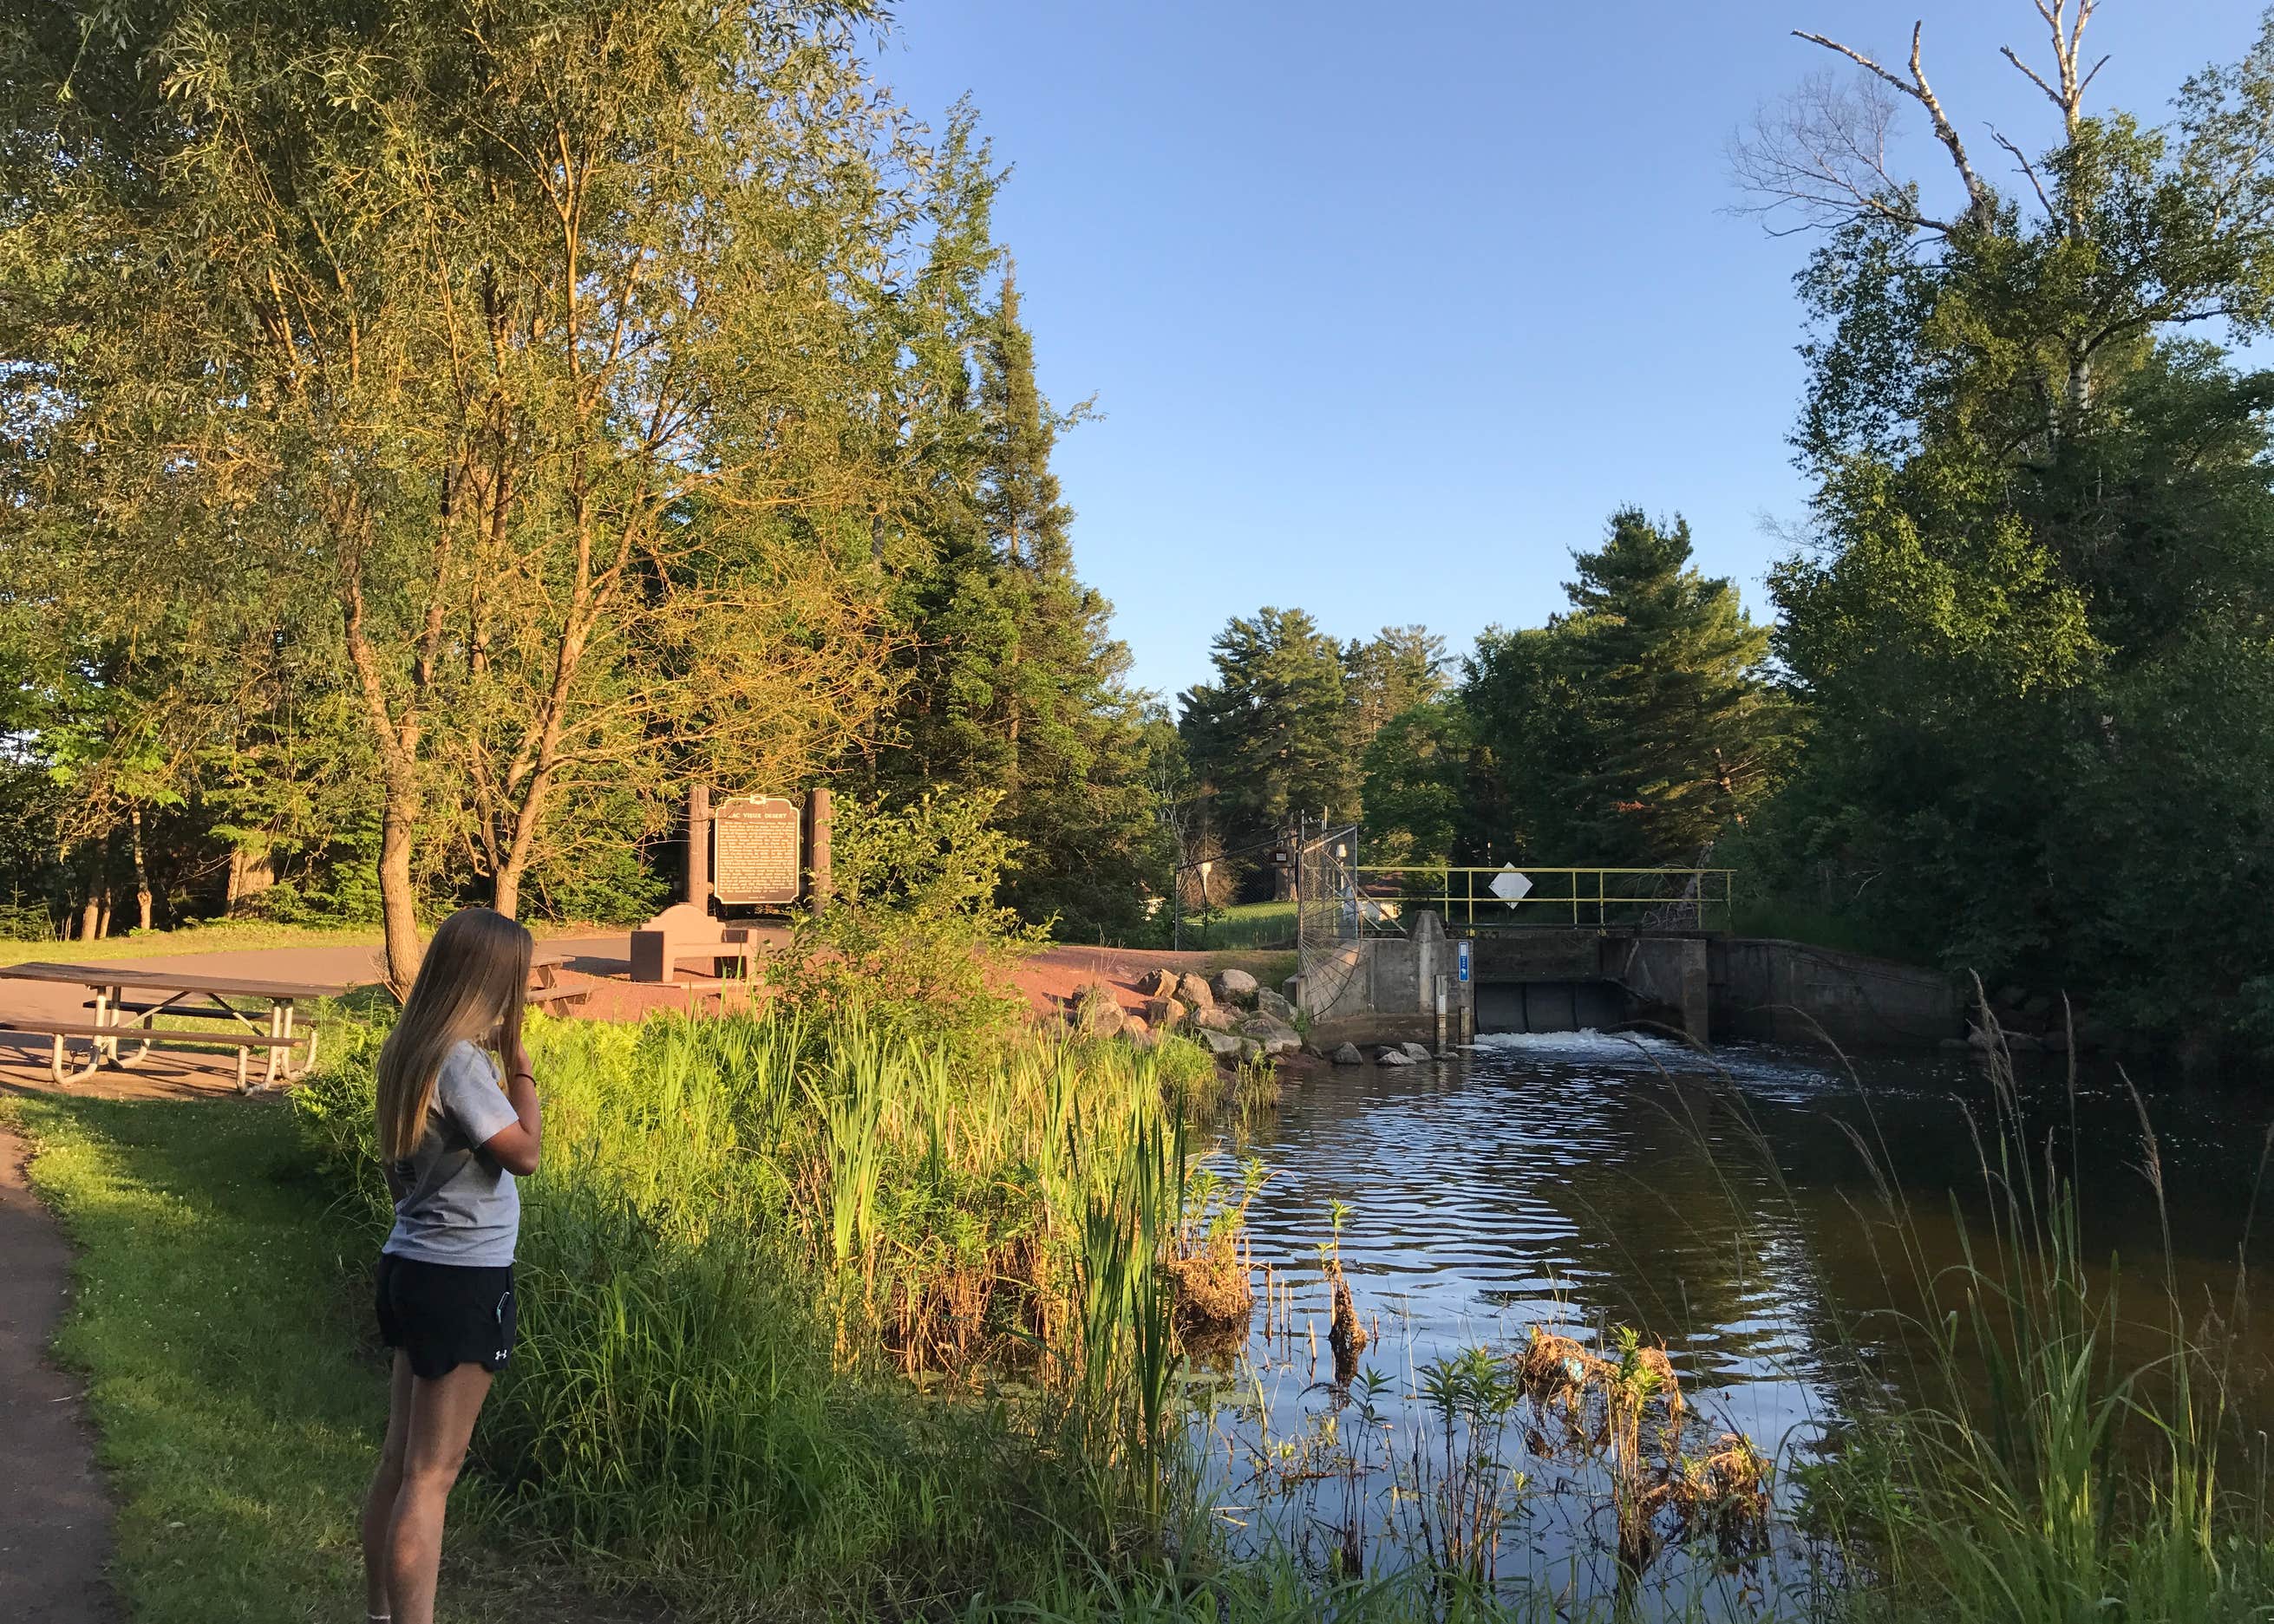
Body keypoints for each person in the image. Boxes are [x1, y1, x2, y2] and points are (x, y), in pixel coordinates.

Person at [359, 907, 540, 1624]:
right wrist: (522, 1070)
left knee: (400, 1463)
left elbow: (400, 1171)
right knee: (433, 1475)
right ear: (488, 981)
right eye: (514, 983)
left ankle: (379, 1614)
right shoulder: (461, 1060)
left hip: (409, 1264)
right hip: (461, 1277)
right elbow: (523, 1151)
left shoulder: (409, 1047)